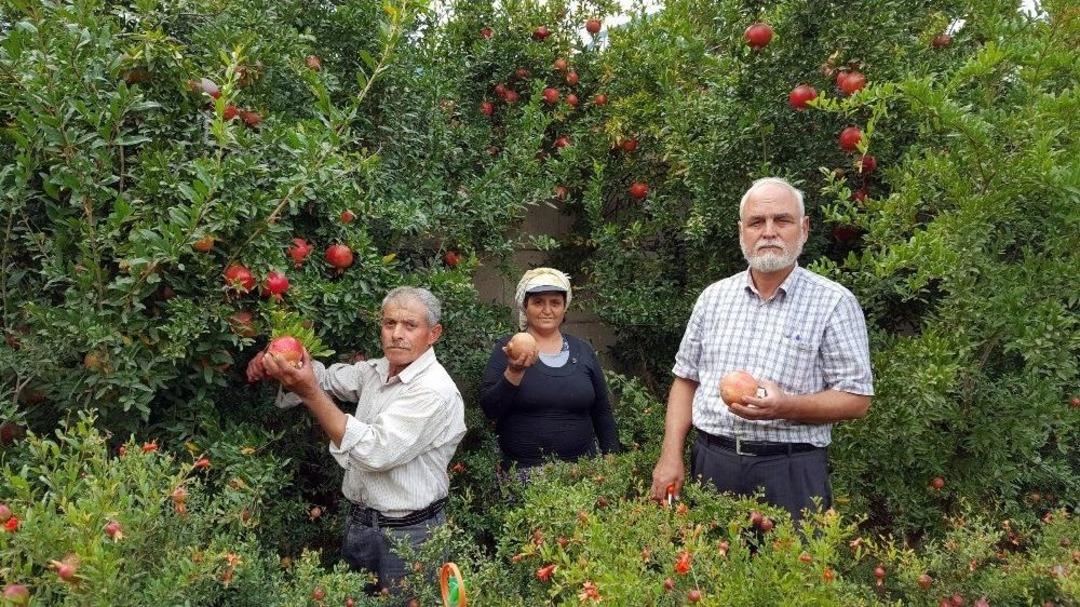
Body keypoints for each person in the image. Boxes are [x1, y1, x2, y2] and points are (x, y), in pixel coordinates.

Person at [649, 177, 873, 521]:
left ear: (804, 228)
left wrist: (787, 405)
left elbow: (857, 399)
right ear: (742, 232)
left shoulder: (834, 303)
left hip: (791, 470)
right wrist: (670, 455)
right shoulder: (713, 299)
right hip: (712, 464)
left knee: (792, 572)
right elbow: (685, 380)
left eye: (781, 220)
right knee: (710, 570)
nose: (769, 231)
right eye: (756, 222)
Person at [248, 286, 466, 596]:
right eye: (389, 324)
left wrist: (309, 391)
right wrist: (281, 361)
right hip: (361, 526)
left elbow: (373, 450)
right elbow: (322, 378)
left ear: (433, 334)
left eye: (410, 325)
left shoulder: (433, 391)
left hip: (411, 536)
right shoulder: (375, 372)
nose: (397, 334)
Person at [479, 268, 621, 479]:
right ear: (525, 306)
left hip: (582, 473)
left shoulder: (583, 350)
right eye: (538, 302)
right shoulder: (508, 348)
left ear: (565, 308)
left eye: (555, 302)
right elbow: (490, 409)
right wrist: (514, 371)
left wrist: (612, 459)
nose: (547, 310)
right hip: (522, 476)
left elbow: (602, 412)